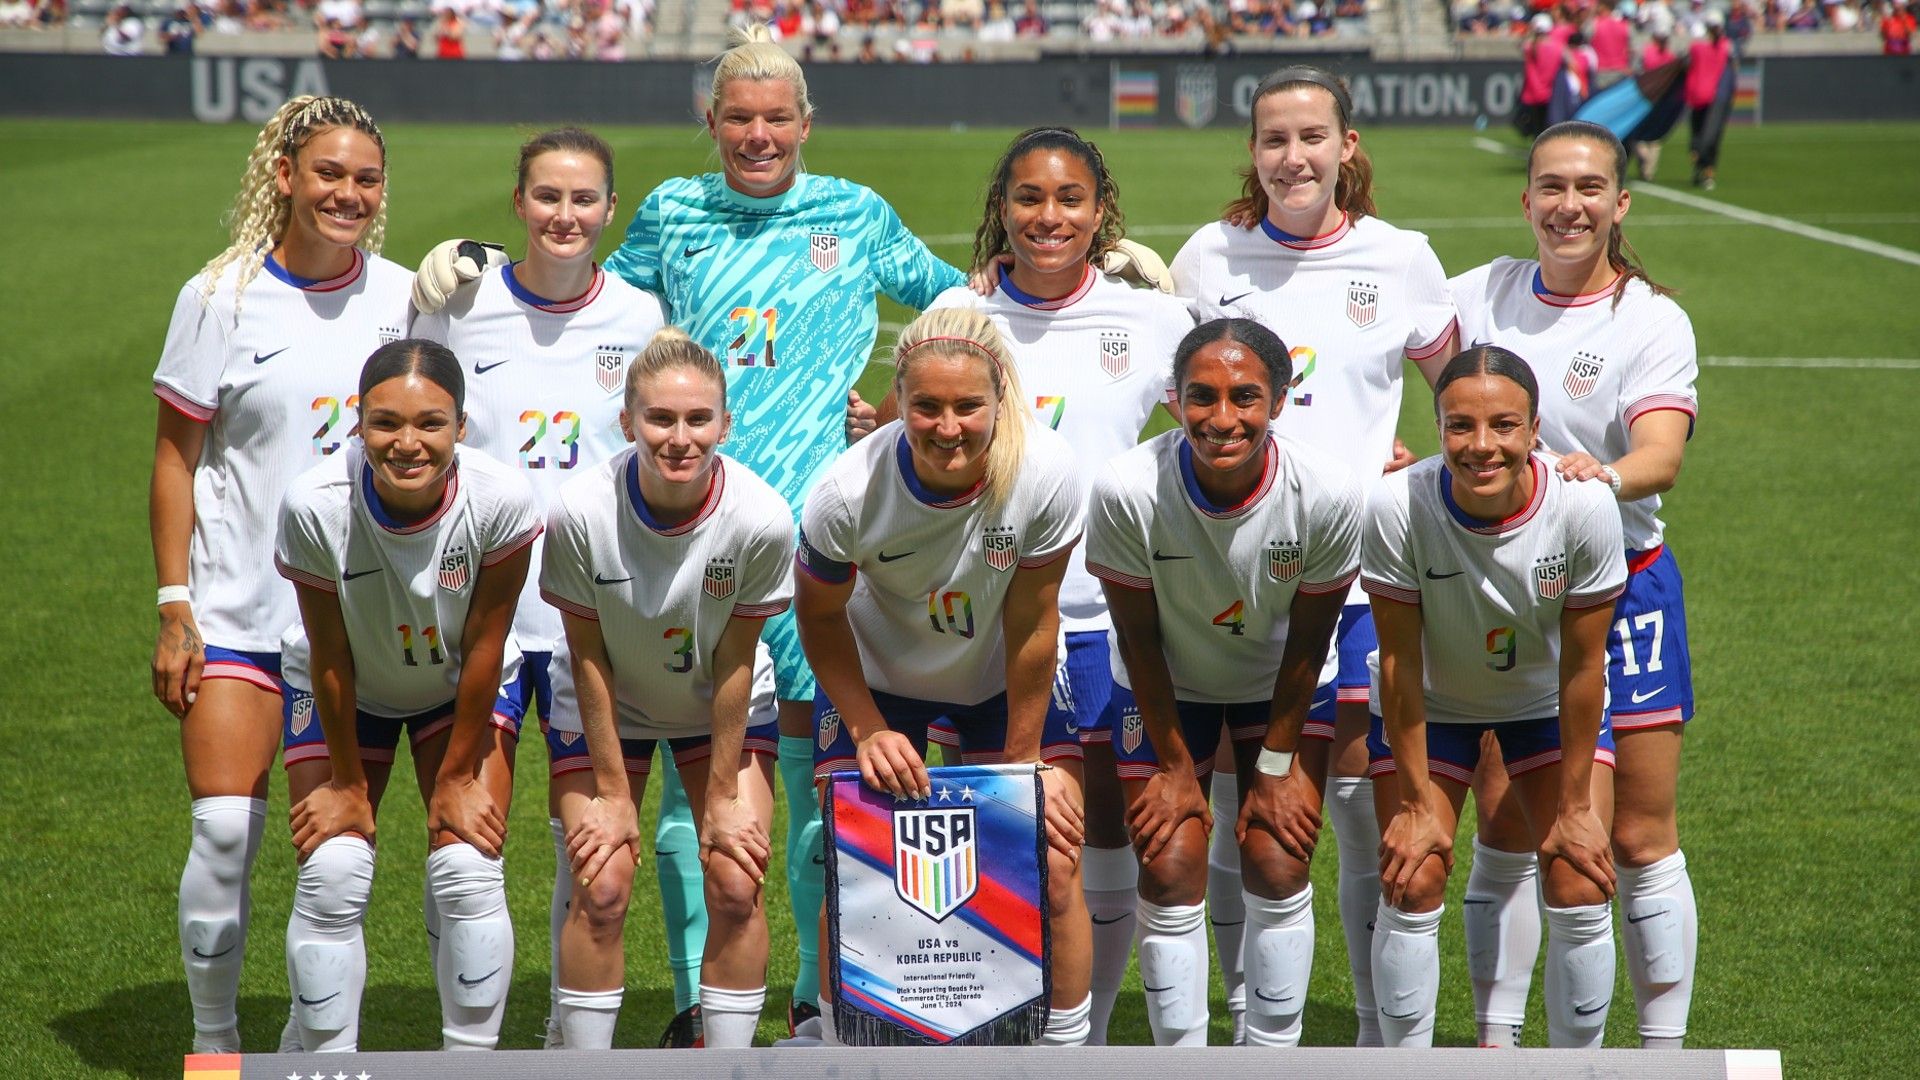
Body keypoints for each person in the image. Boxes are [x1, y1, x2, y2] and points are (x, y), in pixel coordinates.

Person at [411, 25, 965, 1041]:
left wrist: (901, 404)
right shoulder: (673, 211)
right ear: (711, 123)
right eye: (738, 118)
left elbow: (959, 303)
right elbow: (584, 294)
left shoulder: (855, 212)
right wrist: (482, 265)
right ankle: (692, 1010)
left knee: (803, 794)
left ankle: (816, 1003)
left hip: (826, 549)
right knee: (684, 799)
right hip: (691, 546)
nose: (758, 136)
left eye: (776, 117)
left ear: (808, 122)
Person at [1170, 65, 1457, 1046]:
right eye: (1274, 138)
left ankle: (1378, 1040)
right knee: (1234, 802)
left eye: (1311, 137)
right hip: (1232, 576)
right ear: (1252, 153)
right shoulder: (1210, 257)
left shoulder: (1405, 259)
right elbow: (1165, 397)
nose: (1293, 156)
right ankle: (1251, 1025)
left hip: (1368, 581)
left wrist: (1424, 466)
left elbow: (1462, 391)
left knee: (1355, 815)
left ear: (1348, 147)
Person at [913, 126, 1192, 1045]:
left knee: (1098, 837)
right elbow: (907, 435)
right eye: (1029, 198)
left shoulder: (1150, 318)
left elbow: (1235, 404)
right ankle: (990, 1023)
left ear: (1102, 212)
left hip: (1104, 619)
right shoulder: (962, 313)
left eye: (1070, 199)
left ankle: (1090, 1035)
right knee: (991, 838)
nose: (1048, 216)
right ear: (1002, 209)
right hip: (979, 626)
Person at [150, 95, 410, 1054]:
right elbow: (177, 457)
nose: (347, 193)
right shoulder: (218, 297)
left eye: (366, 178)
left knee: (332, 863)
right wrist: (175, 606)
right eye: (329, 173)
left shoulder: (405, 299)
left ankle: (308, 1044)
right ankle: (215, 1049)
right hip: (237, 613)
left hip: (354, 628)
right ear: (285, 176)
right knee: (224, 832)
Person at [409, 126, 668, 1048]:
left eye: (585, 198)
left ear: (608, 209)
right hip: (474, 609)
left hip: (589, 618)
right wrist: (430, 269)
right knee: (464, 847)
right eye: (547, 196)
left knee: (583, 844)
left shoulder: (641, 317)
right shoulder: (457, 304)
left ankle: (568, 1035)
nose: (566, 215)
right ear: (517, 203)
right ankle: (462, 1049)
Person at [1450, 120, 1700, 1050]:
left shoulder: (1650, 319)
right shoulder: (1483, 292)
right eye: (1551, 188)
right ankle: (1496, 1042)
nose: (1570, 205)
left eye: (1590, 188)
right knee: (1509, 823)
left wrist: (1596, 478)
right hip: (1496, 591)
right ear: (1526, 202)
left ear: (1620, 204)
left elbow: (1660, 455)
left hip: (1621, 587)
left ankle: (1663, 1053)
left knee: (1634, 836)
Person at [797, 307, 1090, 1045]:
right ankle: (848, 1051)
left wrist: (1024, 767)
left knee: (1050, 860)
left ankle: (1061, 1058)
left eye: (968, 406)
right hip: (880, 675)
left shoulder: (1046, 474)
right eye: (925, 406)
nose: (947, 426)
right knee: (852, 863)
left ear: (1001, 402)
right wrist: (866, 729)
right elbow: (821, 620)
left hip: (998, 680)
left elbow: (1032, 622)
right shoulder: (845, 493)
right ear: (898, 401)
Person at [1086, 319, 1361, 1048]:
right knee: (1171, 863)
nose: (1222, 419)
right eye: (1202, 397)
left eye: (1245, 397)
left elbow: (1310, 645)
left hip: (1280, 685)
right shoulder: (1126, 488)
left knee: (1274, 855)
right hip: (1165, 684)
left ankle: (1270, 1056)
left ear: (1280, 399)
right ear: (1175, 400)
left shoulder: (1327, 493)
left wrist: (1274, 769)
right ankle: (1181, 1062)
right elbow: (1137, 637)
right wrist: (1176, 769)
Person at [276, 340, 539, 1052]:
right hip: (345, 689)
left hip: (455, 691)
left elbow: (487, 643)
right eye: (386, 422)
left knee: (466, 869)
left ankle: (467, 1068)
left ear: (461, 427)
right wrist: (348, 785)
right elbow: (329, 654)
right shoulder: (314, 504)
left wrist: (456, 777)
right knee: (334, 868)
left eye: (431, 423)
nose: (408, 443)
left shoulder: (503, 500)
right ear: (357, 423)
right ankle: (321, 1065)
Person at [1363, 346, 1625, 1050]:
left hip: (1542, 703)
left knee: (1579, 871)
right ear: (1440, 426)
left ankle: (1580, 1069)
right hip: (1433, 704)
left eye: (1504, 425)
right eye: (1460, 426)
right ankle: (1406, 1068)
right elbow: (1397, 661)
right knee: (1412, 875)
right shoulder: (1396, 505)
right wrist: (1418, 805)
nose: (1482, 446)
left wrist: (1574, 809)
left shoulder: (1586, 507)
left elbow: (1582, 666)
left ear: (1536, 428)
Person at [539, 329, 795, 1049]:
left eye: (697, 420)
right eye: (659, 419)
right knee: (602, 886)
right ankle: (583, 1068)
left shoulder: (762, 518)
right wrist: (616, 795)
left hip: (718, 703)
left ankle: (728, 1068)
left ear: (725, 424)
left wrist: (718, 798)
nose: (678, 438)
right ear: (627, 422)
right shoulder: (579, 510)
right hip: (606, 706)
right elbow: (586, 655)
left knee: (737, 885)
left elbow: (738, 659)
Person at [1685, 10, 1734, 189]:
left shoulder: (1723, 47)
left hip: (1713, 99)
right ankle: (1701, 167)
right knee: (1697, 141)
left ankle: (1707, 172)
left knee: (1709, 139)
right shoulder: (1700, 46)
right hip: (1698, 98)